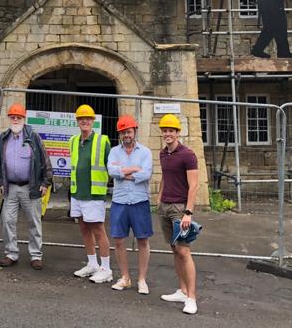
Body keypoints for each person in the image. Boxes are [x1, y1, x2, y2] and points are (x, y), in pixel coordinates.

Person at [0, 102, 53, 270]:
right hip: (10, 187)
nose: (15, 119)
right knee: (8, 221)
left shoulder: (33, 136)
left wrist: (45, 182)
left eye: (18, 117)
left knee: (34, 222)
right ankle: (11, 253)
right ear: (9, 118)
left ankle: (36, 255)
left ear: (23, 118)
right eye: (12, 117)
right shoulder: (3, 138)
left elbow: (44, 160)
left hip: (31, 186)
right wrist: (0, 182)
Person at [157, 113, 201, 315]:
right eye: (164, 130)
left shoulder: (188, 154)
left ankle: (191, 298)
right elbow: (166, 178)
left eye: (171, 130)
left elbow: (194, 185)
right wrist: (159, 199)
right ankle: (182, 291)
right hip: (165, 206)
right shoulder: (163, 153)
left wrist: (188, 213)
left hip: (179, 208)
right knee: (174, 249)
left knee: (184, 251)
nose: (167, 134)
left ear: (177, 132)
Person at [106, 114, 154, 294]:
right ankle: (125, 277)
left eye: (129, 131)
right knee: (119, 240)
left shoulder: (145, 152)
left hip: (140, 201)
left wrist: (124, 173)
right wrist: (134, 170)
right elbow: (112, 171)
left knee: (142, 240)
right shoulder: (114, 151)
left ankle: (142, 280)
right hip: (119, 201)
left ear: (135, 131)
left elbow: (146, 174)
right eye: (123, 132)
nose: (126, 135)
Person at [69, 104, 113, 284]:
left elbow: (111, 166)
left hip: (94, 194)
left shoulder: (102, 141)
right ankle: (92, 263)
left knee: (98, 230)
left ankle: (106, 268)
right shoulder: (73, 141)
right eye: (81, 118)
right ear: (77, 121)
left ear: (93, 121)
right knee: (84, 229)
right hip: (77, 192)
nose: (84, 121)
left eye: (87, 118)